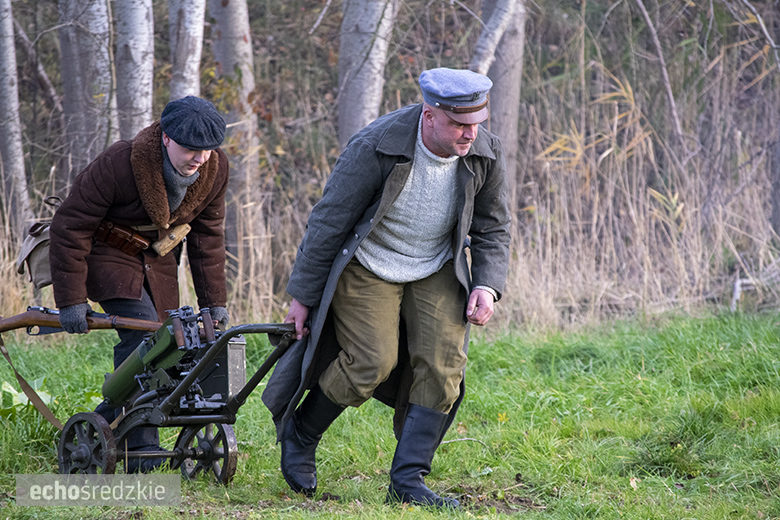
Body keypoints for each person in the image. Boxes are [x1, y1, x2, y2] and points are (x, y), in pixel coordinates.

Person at [262, 68, 511, 508]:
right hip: (369, 262)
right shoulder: (375, 145)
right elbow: (328, 222)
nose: (470, 134)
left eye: (477, 123)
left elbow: (494, 227)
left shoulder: (484, 153)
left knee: (444, 366)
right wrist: (303, 297)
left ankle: (408, 481)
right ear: (429, 115)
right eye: (459, 124)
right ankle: (302, 432)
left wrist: (487, 286)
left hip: (435, 265)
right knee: (371, 361)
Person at [49, 96, 231, 472]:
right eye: (190, 149)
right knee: (144, 339)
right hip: (107, 255)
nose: (199, 158)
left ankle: (100, 428)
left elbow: (208, 236)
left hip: (158, 261)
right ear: (166, 138)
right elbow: (70, 226)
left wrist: (214, 302)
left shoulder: (216, 169)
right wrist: (71, 300)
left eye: (207, 150)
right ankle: (142, 452)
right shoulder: (119, 163)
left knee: (170, 344)